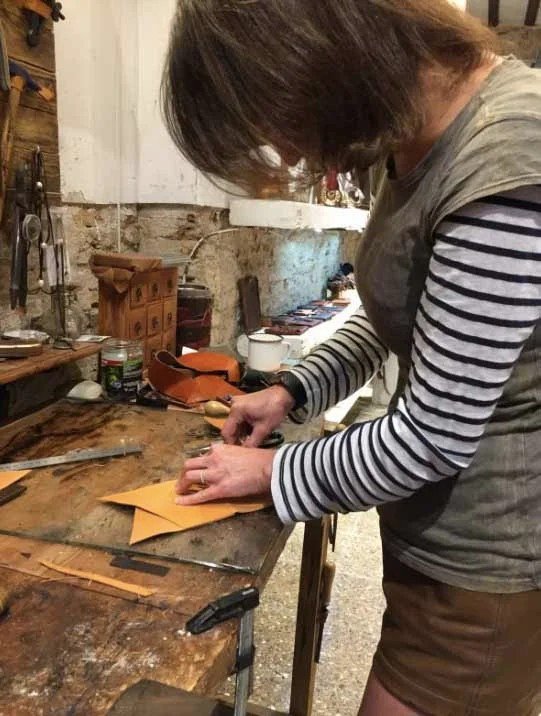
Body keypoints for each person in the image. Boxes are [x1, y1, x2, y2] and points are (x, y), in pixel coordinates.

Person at [162, 2, 541, 714]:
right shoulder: (424, 141)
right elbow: (398, 312)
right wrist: (294, 389)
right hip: (441, 545)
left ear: (321, 54)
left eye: (282, 120)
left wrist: (274, 470)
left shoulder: (505, 156)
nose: (296, 154)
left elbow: (433, 438)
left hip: (487, 569)